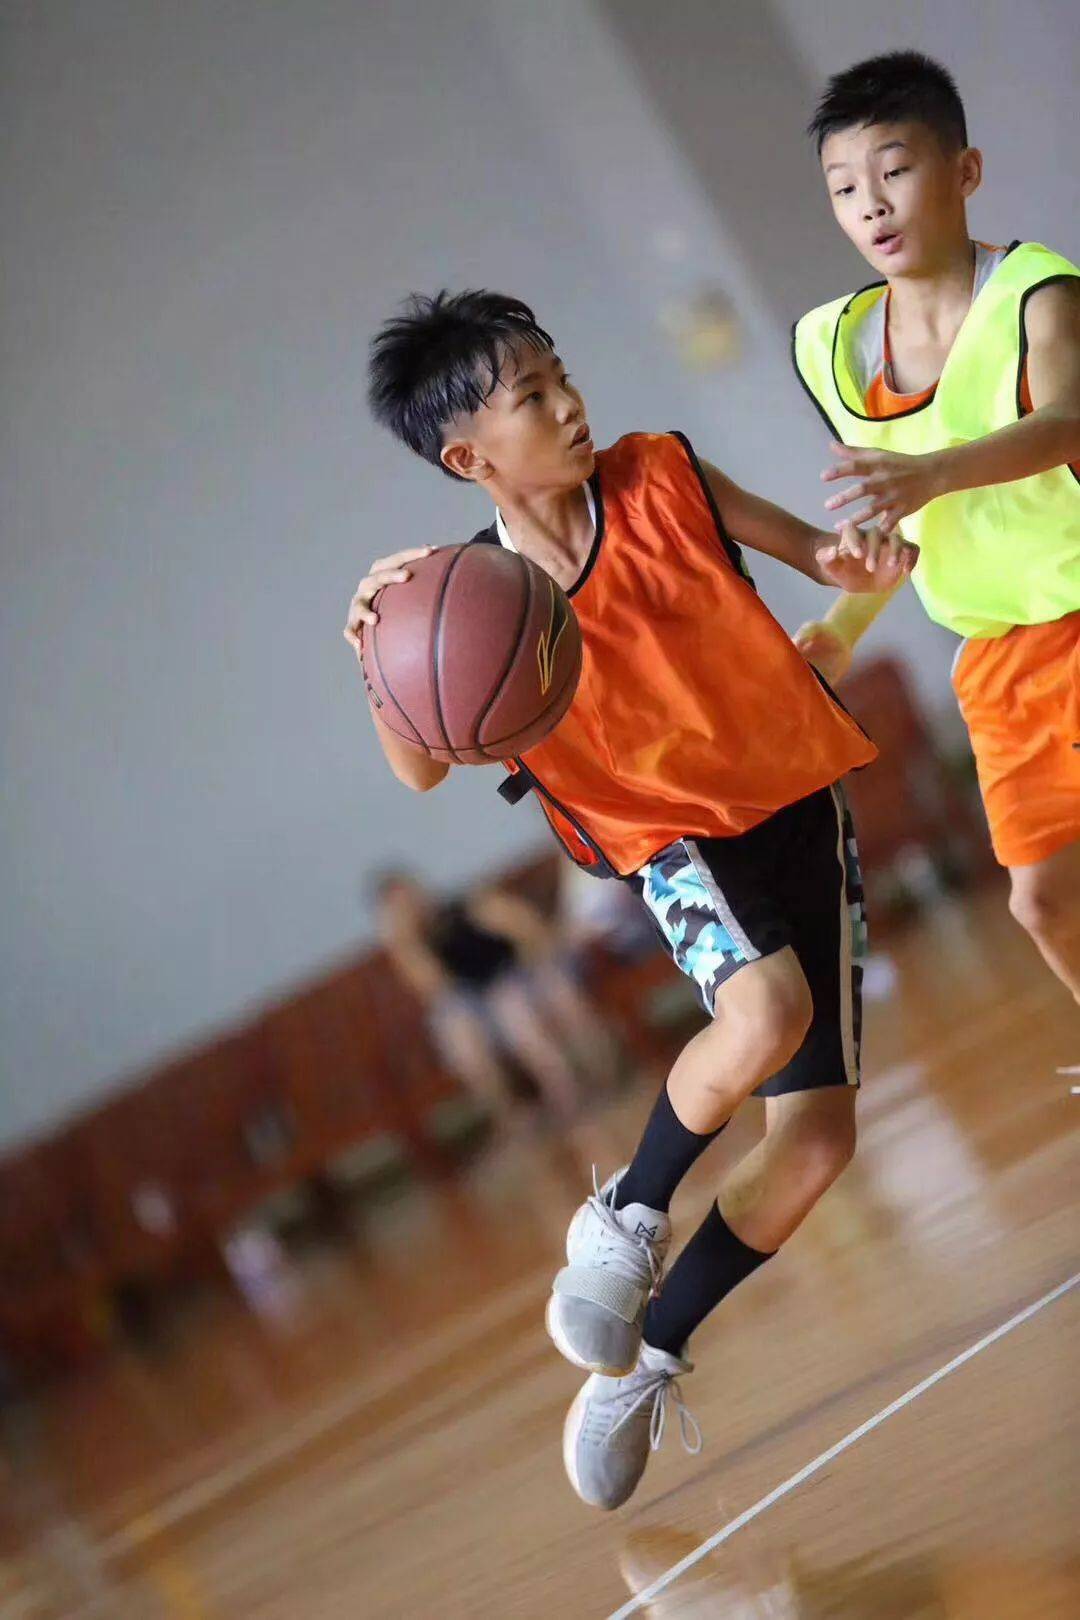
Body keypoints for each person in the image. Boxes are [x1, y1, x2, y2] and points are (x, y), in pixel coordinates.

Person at [344, 290, 916, 1509]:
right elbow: (420, 767)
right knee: (763, 1013)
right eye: (532, 396)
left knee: (817, 1143)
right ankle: (626, 1212)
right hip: (669, 835)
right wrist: (374, 646)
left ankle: (645, 1355)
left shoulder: (664, 473)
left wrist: (859, 565)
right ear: (469, 459)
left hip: (794, 789)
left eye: (562, 375)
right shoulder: (472, 598)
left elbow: (813, 557)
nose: (569, 403)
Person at [791, 51, 1080, 1002]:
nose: (870, 205)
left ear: (965, 171)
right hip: (999, 658)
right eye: (845, 188)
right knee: (1042, 904)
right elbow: (902, 536)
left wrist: (932, 472)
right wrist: (842, 627)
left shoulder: (1039, 291)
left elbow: (1068, 422)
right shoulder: (831, 347)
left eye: (894, 171)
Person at [373, 869, 609, 1126]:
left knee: (519, 1010)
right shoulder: (413, 945)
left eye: (408, 894)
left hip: (517, 974)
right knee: (463, 1039)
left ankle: (576, 1087)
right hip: (480, 1003)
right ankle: (513, 1118)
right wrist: (406, 943)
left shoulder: (467, 906)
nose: (409, 905)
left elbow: (528, 931)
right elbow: (434, 987)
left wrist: (533, 963)